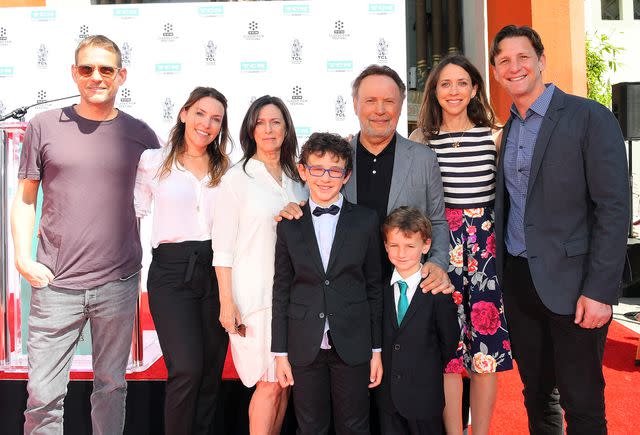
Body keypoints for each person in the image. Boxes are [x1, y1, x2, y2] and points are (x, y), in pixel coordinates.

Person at [10, 35, 160, 434]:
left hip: (118, 283)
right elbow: (25, 199)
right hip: (55, 285)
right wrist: (23, 259)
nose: (96, 77)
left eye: (106, 69)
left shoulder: (141, 135)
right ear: (74, 73)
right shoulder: (43, 126)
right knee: (43, 395)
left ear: (121, 75)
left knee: (111, 388)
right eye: (87, 68)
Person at [491, 25, 629, 434]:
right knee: (536, 395)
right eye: (504, 61)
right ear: (497, 72)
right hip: (519, 281)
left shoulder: (589, 117)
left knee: (582, 400)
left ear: (541, 61)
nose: (514, 67)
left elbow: (614, 207)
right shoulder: (507, 129)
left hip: (575, 286)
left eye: (523, 57)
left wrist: (601, 290)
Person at [279, 64, 453, 295]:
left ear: (400, 107)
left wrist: (438, 262)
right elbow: (314, 203)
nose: (380, 110)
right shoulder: (337, 162)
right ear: (355, 105)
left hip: (408, 286)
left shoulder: (424, 158)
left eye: (389, 101)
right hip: (348, 291)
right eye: (370, 100)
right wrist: (296, 207)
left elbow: (438, 221)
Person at [409, 54, 513, 435]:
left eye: (461, 83)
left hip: (485, 252)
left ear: (474, 90)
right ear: (434, 92)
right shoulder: (420, 141)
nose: (453, 91)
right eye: (444, 84)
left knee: (486, 350)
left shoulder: (494, 135)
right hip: (440, 250)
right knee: (448, 350)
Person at [272, 132, 383, 434]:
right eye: (317, 169)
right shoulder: (288, 225)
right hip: (304, 343)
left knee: (355, 425)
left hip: (354, 341)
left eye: (334, 170)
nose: (325, 178)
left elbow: (374, 287)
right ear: (303, 171)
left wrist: (376, 349)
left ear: (346, 175)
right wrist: (279, 353)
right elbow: (281, 290)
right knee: (310, 427)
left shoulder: (365, 220)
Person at [134, 87, 230, 434]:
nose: (207, 124)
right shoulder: (153, 161)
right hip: (172, 274)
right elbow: (132, 213)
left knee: (209, 373)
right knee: (186, 368)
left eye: (216, 119)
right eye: (201, 113)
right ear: (184, 113)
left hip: (216, 271)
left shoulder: (226, 169)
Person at [212, 95, 307, 434]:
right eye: (261, 122)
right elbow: (221, 249)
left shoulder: (299, 179)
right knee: (267, 384)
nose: (268, 129)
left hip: (294, 299)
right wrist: (227, 302)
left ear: (286, 128)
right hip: (253, 299)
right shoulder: (236, 179)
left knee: (284, 382)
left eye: (275, 122)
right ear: (251, 129)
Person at [377, 206, 459, 435]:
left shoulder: (438, 292)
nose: (401, 253)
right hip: (388, 400)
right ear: (385, 245)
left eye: (410, 246)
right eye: (394, 245)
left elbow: (449, 342)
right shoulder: (380, 290)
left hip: (425, 398)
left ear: (426, 245)